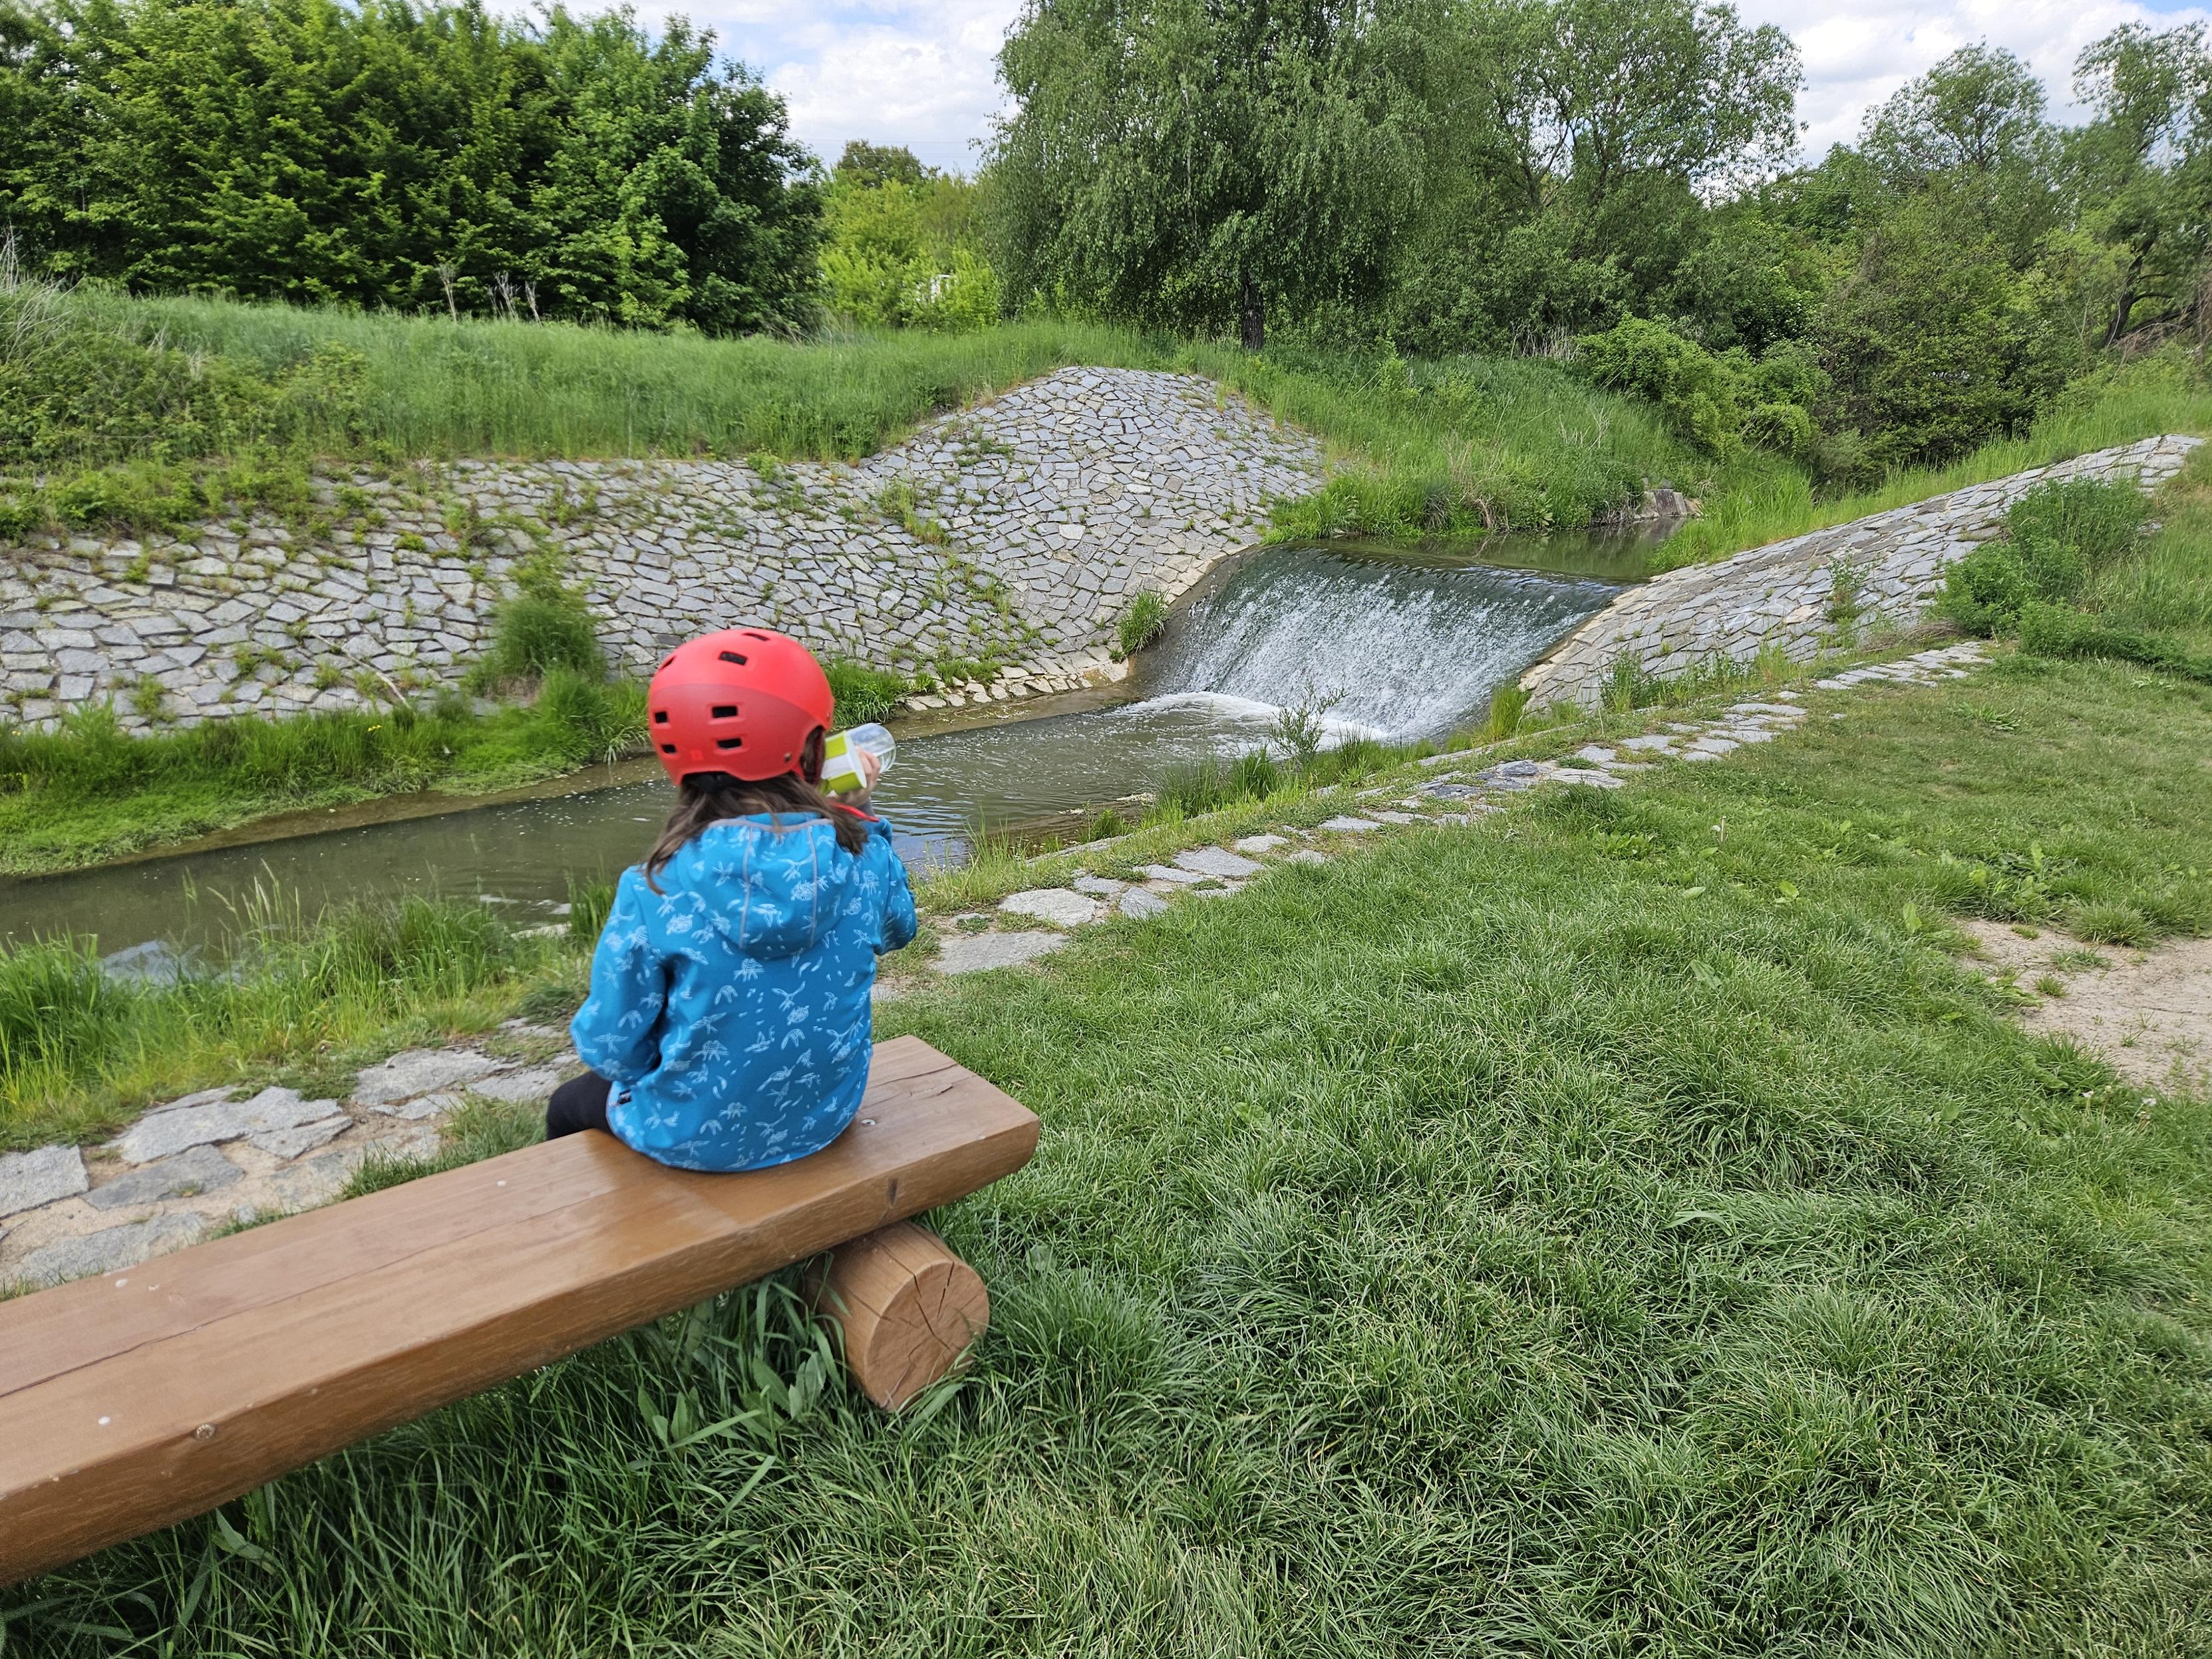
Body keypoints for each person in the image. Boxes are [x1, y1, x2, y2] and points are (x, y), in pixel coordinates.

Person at [547, 627, 917, 1171]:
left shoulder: (653, 888)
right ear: (815, 751)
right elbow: (899, 928)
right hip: (822, 1117)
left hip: (692, 1139)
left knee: (566, 1104)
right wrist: (857, 814)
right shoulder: (863, 859)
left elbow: (611, 1050)